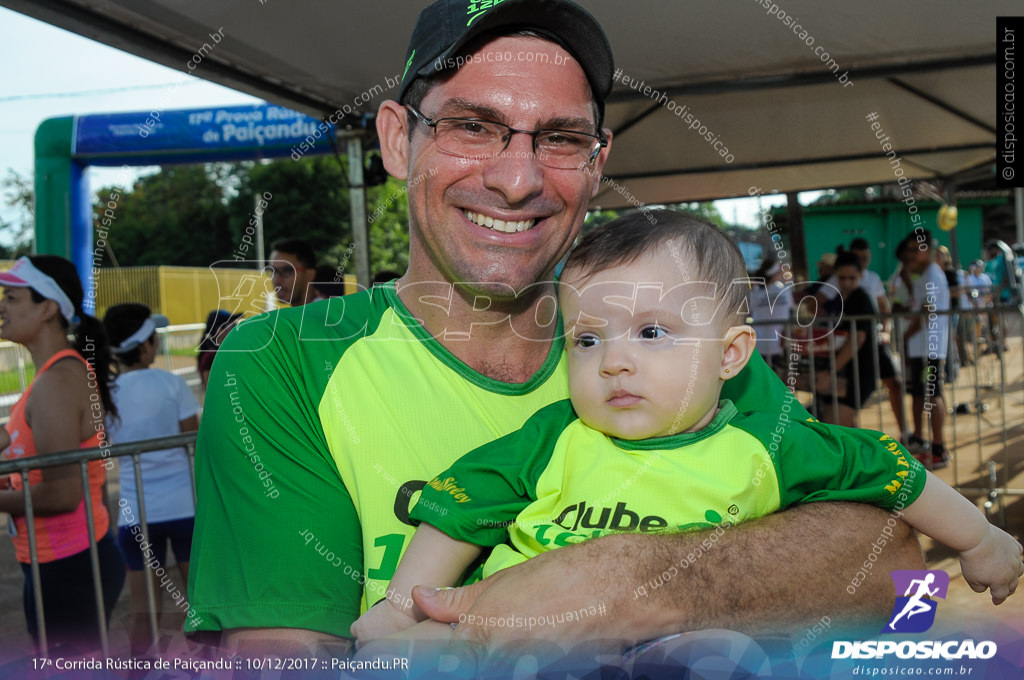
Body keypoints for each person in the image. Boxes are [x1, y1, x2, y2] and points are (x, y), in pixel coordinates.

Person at [188, 0, 926, 658]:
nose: (517, 179)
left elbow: (888, 558)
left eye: (562, 138)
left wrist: (625, 578)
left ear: (598, 163)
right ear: (394, 141)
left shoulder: (678, 347)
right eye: (471, 126)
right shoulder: (282, 362)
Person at [351, 213, 1022, 643]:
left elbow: (893, 472)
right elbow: (458, 509)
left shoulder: (771, 443)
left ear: (730, 355)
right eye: (587, 340)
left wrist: (981, 538)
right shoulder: (555, 435)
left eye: (651, 333)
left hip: (688, 639)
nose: (614, 360)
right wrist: (406, 603)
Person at [0, 255, 125, 652]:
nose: (1, 307)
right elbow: (10, 437)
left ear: (48, 307)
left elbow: (63, 494)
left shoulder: (57, 381)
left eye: (12, 298)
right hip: (60, 560)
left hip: (70, 565)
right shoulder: (50, 376)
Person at [103, 303, 201, 655]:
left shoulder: (106, 392)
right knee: (201, 607)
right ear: (146, 345)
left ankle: (139, 671)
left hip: (135, 516)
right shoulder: (172, 383)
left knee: (143, 615)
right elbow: (193, 438)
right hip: (184, 510)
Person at [902, 230, 951, 470]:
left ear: (927, 249)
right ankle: (923, 441)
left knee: (933, 394)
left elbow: (927, 310)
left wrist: (906, 334)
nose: (911, 254)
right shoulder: (922, 275)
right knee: (921, 394)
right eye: (909, 249)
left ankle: (939, 447)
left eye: (915, 249)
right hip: (920, 347)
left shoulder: (932, 274)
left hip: (928, 346)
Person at [815, 251, 877, 427]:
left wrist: (830, 371)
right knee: (841, 431)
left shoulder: (860, 299)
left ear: (860, 275)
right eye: (842, 278)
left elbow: (857, 340)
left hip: (858, 373)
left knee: (838, 429)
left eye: (852, 278)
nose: (847, 282)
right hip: (845, 373)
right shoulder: (844, 298)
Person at [747, 258, 794, 366]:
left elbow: (747, 312)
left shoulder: (754, 294)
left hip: (759, 344)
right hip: (781, 344)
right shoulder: (786, 291)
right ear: (776, 274)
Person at [197, 309, 242, 392]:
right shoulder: (210, 356)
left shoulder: (228, 351)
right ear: (219, 330)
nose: (235, 328)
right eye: (231, 325)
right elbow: (211, 390)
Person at [267, 238, 317, 306]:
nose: (276, 280)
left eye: (286, 271)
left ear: (310, 275)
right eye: (272, 271)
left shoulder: (329, 313)